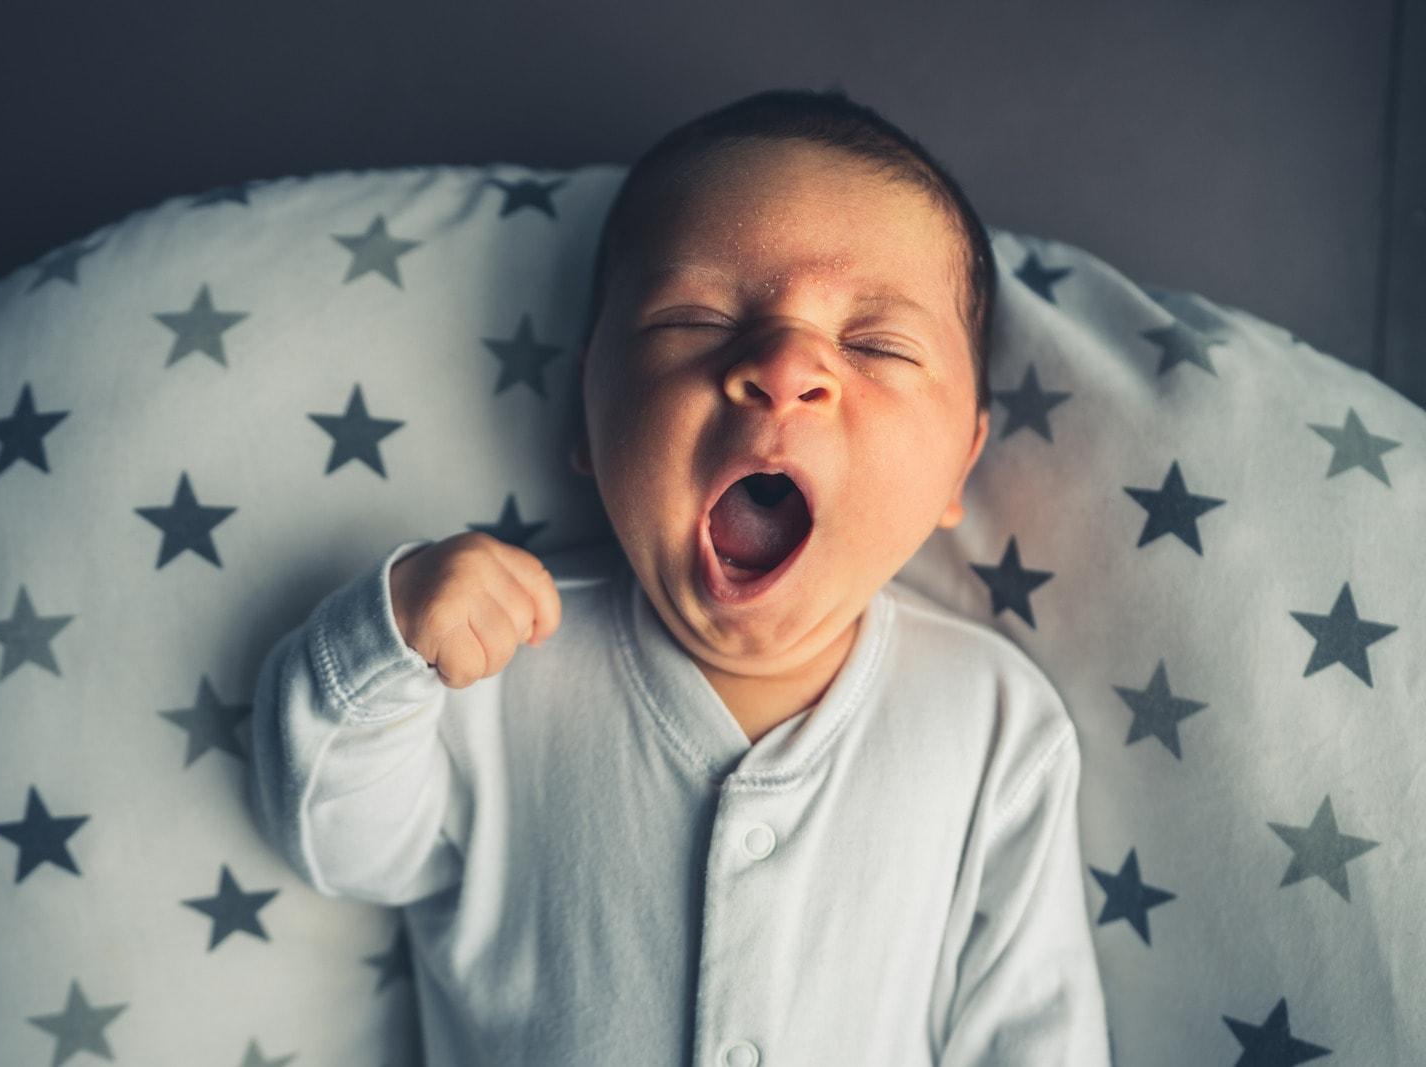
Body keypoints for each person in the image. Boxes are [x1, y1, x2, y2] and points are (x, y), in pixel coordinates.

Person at [247, 86, 1112, 1065]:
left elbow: (1035, 1030)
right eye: (695, 319)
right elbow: (338, 843)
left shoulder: (991, 720)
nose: (786, 366)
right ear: (586, 417)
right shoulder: (495, 663)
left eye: (873, 343)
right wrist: (384, 642)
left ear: (960, 461)